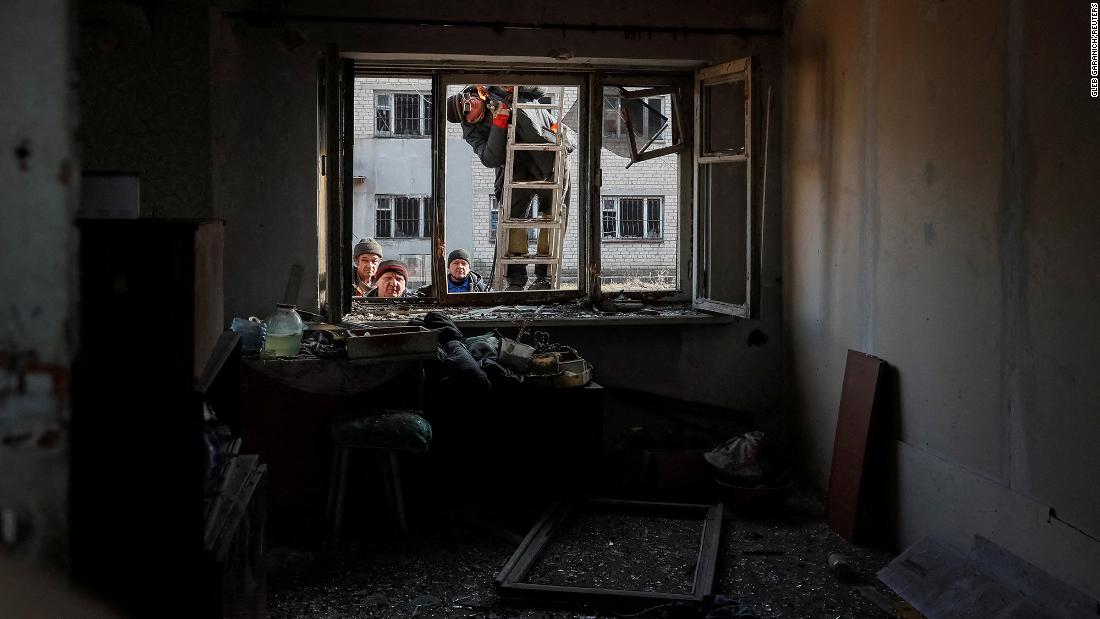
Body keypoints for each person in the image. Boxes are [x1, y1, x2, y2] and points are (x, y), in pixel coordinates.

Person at [446, 85, 573, 291]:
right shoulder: (473, 133)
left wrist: (518, 86)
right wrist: (499, 123)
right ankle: (515, 279)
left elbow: (539, 89)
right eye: (467, 107)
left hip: (550, 157)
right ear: (467, 119)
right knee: (513, 219)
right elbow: (491, 157)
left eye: (468, 98)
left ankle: (545, 277)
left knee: (553, 217)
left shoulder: (494, 89)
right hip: (517, 167)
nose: (472, 102)